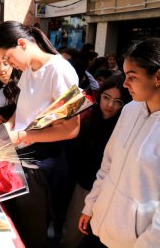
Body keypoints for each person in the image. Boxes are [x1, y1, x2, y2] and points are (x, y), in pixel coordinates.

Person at [0, 21, 80, 248]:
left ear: (22, 44)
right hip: (20, 160)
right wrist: (7, 129)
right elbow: (20, 111)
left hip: (41, 167)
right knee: (18, 226)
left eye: (8, 59)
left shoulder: (60, 70)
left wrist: (22, 136)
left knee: (33, 235)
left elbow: (71, 128)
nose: (8, 65)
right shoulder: (29, 70)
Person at [78, 38, 160, 247]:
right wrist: (92, 204)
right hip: (102, 224)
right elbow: (109, 163)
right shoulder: (130, 109)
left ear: (157, 77)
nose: (125, 84)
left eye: (132, 77)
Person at [61, 75, 131, 248]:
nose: (109, 105)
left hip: (105, 190)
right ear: (99, 95)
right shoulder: (86, 117)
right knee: (71, 233)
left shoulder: (123, 127)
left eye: (117, 101)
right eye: (106, 98)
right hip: (80, 184)